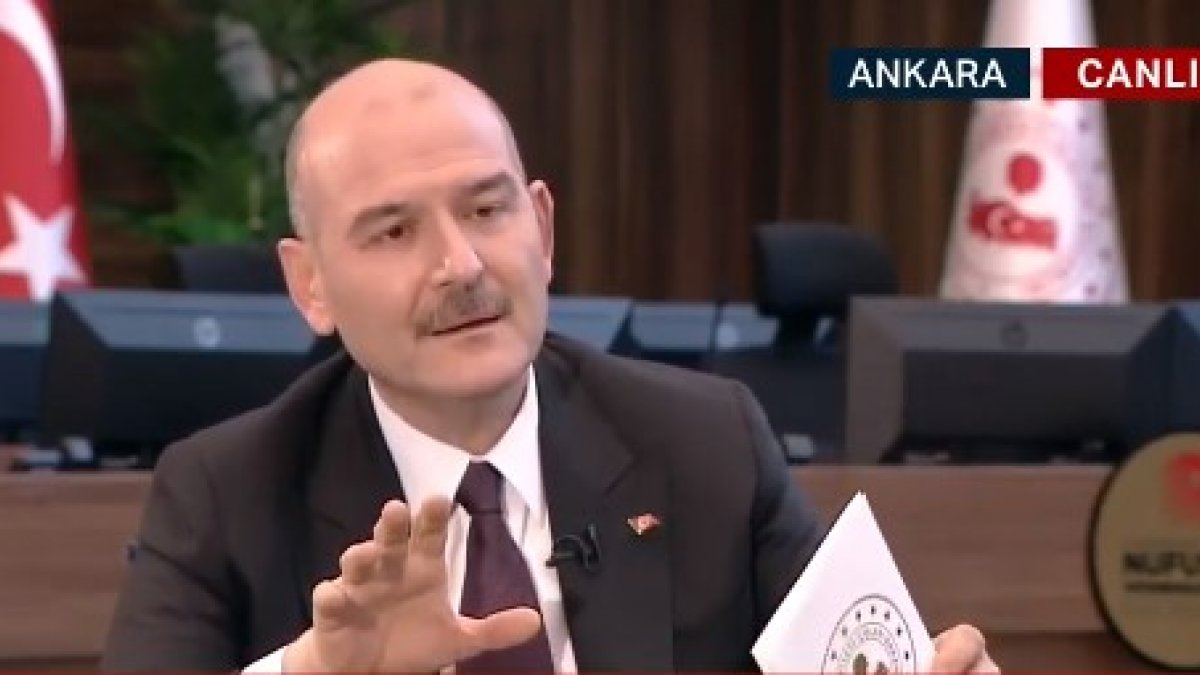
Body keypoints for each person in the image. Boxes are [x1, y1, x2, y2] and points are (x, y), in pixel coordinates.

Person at [101, 58, 999, 673]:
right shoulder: (225, 492)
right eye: (395, 231)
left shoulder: (706, 442)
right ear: (311, 285)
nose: (461, 265)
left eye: (486, 210)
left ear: (542, 227)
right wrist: (316, 669)